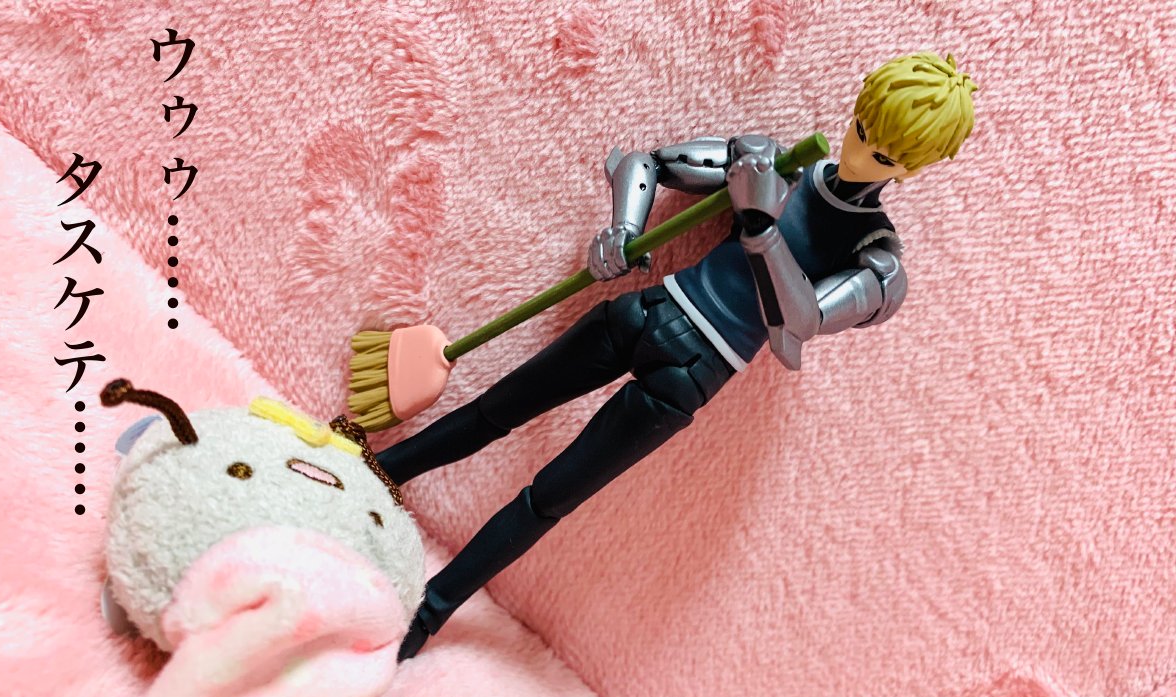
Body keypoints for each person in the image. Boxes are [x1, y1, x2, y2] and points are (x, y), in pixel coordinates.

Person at [379, 52, 978, 660]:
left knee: (549, 497)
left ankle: (428, 614)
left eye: (882, 157)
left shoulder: (877, 258)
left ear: (912, 168)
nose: (859, 153)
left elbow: (798, 323)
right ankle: (377, 469)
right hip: (648, 309)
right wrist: (624, 227)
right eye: (861, 129)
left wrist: (762, 226)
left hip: (694, 373)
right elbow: (649, 163)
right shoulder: (780, 163)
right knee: (496, 409)